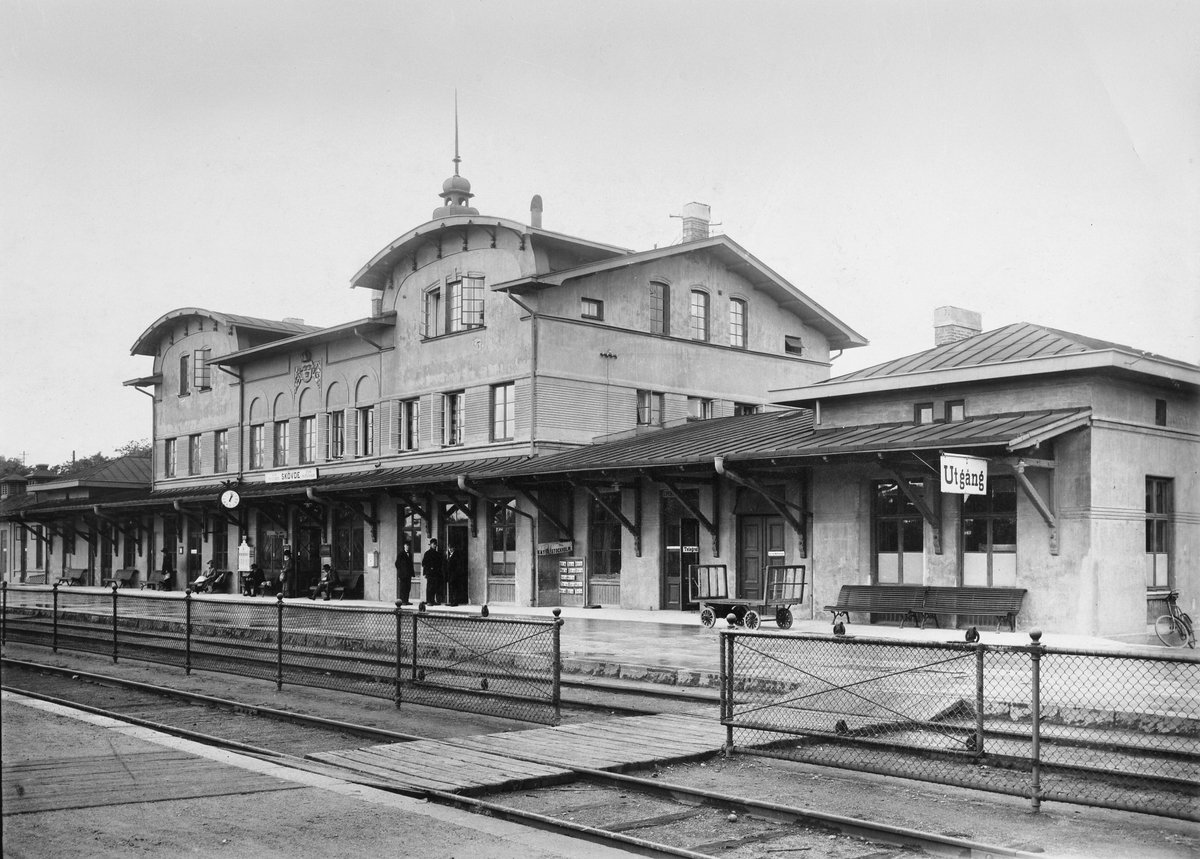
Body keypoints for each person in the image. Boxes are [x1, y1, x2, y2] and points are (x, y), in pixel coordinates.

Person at [421, 538, 443, 605]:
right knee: (430, 587)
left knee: (435, 587)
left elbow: (440, 564)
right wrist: (425, 572)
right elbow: (423, 563)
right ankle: (429, 601)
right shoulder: (427, 553)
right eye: (433, 544)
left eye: (436, 544)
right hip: (430, 573)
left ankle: (433, 600)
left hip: (436, 573)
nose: (435, 545)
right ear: (430, 545)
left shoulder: (438, 554)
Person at [395, 539, 415, 605]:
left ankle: (406, 600)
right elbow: (397, 564)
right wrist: (401, 571)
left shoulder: (410, 554)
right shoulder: (401, 554)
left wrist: (412, 573)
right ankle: (402, 601)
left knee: (408, 588)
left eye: (408, 546)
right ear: (404, 546)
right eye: (406, 545)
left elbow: (411, 564)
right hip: (403, 575)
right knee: (403, 588)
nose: (407, 547)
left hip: (408, 575)